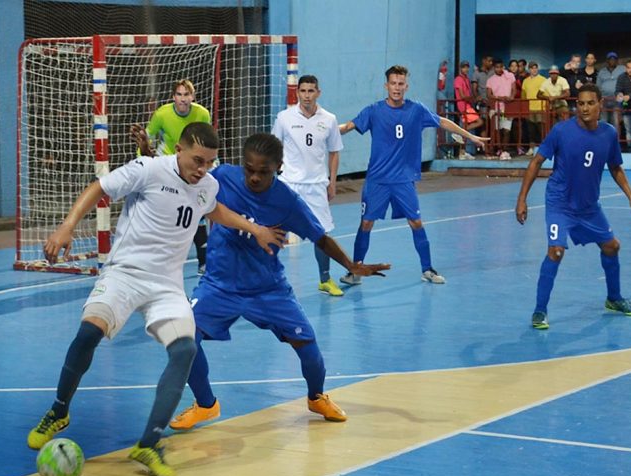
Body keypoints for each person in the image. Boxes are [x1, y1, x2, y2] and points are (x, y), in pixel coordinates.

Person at [26, 123, 285, 476]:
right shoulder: (148, 170)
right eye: (197, 160)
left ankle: (149, 442)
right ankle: (59, 410)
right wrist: (66, 227)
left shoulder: (206, 185)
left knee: (184, 351)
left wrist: (254, 229)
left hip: (167, 285)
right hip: (125, 273)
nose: (202, 169)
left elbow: (214, 210)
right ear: (179, 149)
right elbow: (99, 187)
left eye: (209, 163)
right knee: (88, 334)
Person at [169, 133, 390, 430]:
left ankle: (316, 397)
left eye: (264, 171)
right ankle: (206, 404)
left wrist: (350, 265)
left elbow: (320, 238)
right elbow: (183, 181)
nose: (255, 177)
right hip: (219, 285)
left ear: (279, 167)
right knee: (184, 339)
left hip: (268, 288)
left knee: (308, 346)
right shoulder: (222, 177)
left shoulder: (287, 202)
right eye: (250, 169)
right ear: (241, 163)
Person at [338, 65, 487, 286]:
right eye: (393, 83)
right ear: (385, 86)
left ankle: (427, 269)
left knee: (416, 222)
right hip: (377, 180)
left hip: (403, 180)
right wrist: (324, 131)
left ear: (406, 86)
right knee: (366, 223)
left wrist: (470, 137)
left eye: (401, 84)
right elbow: (349, 126)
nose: (397, 88)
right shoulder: (373, 110)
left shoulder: (416, 110)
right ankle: (356, 271)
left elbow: (442, 122)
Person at [515, 83, 631, 330]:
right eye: (581, 103)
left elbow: (615, 167)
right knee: (556, 251)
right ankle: (539, 311)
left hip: (589, 207)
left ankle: (614, 299)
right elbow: (536, 162)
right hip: (560, 204)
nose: (584, 108)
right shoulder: (561, 131)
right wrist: (522, 199)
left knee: (612, 246)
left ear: (600, 105)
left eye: (590, 103)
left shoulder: (608, 134)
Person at [271, 74, 345, 296]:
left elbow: (334, 153)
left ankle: (324, 280)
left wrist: (332, 183)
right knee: (275, 232)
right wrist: (277, 176)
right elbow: (275, 147)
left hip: (316, 186)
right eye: (302, 91)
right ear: (297, 93)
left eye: (311, 91)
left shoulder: (329, 119)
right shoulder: (284, 117)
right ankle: (268, 280)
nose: (306, 95)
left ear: (318, 93)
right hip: (289, 184)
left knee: (321, 234)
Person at [142, 79, 212, 274]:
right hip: (168, 168)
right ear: (174, 97)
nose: (183, 99)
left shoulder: (202, 114)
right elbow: (146, 138)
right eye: (179, 95)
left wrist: (208, 165)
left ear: (193, 97)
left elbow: (206, 142)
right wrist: (145, 164)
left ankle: (204, 262)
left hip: (191, 169)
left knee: (197, 211)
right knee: (164, 214)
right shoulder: (162, 114)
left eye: (186, 95)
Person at [486, 59, 517, 159]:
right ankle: (497, 149)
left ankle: (505, 150)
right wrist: (499, 98)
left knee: (507, 130)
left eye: (500, 67)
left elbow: (514, 89)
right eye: (496, 67)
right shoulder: (490, 80)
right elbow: (489, 95)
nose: (499, 69)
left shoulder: (510, 76)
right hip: (495, 108)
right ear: (494, 68)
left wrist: (511, 97)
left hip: (508, 107)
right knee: (496, 131)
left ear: (503, 66)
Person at [454, 60, 483, 159]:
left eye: (466, 67)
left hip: (468, 104)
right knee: (479, 121)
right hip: (464, 105)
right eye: (463, 67)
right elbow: (462, 95)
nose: (465, 69)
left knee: (467, 126)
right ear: (460, 68)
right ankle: (460, 131)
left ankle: (462, 152)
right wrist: (473, 99)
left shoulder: (466, 79)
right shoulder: (458, 79)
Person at [521, 61, 546, 156]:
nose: (534, 70)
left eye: (535, 68)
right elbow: (523, 95)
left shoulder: (543, 79)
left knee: (541, 129)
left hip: (540, 107)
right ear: (529, 69)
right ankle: (531, 148)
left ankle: (543, 149)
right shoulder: (525, 81)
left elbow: (545, 93)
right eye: (532, 68)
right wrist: (524, 107)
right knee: (531, 130)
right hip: (529, 108)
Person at [597, 52, 625, 126]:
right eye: (610, 59)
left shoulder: (622, 69)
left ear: (617, 60)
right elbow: (598, 86)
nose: (612, 61)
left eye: (614, 59)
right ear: (607, 61)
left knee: (615, 121)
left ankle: (615, 137)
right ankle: (604, 137)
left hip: (616, 99)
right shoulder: (602, 71)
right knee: (603, 121)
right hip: (604, 99)